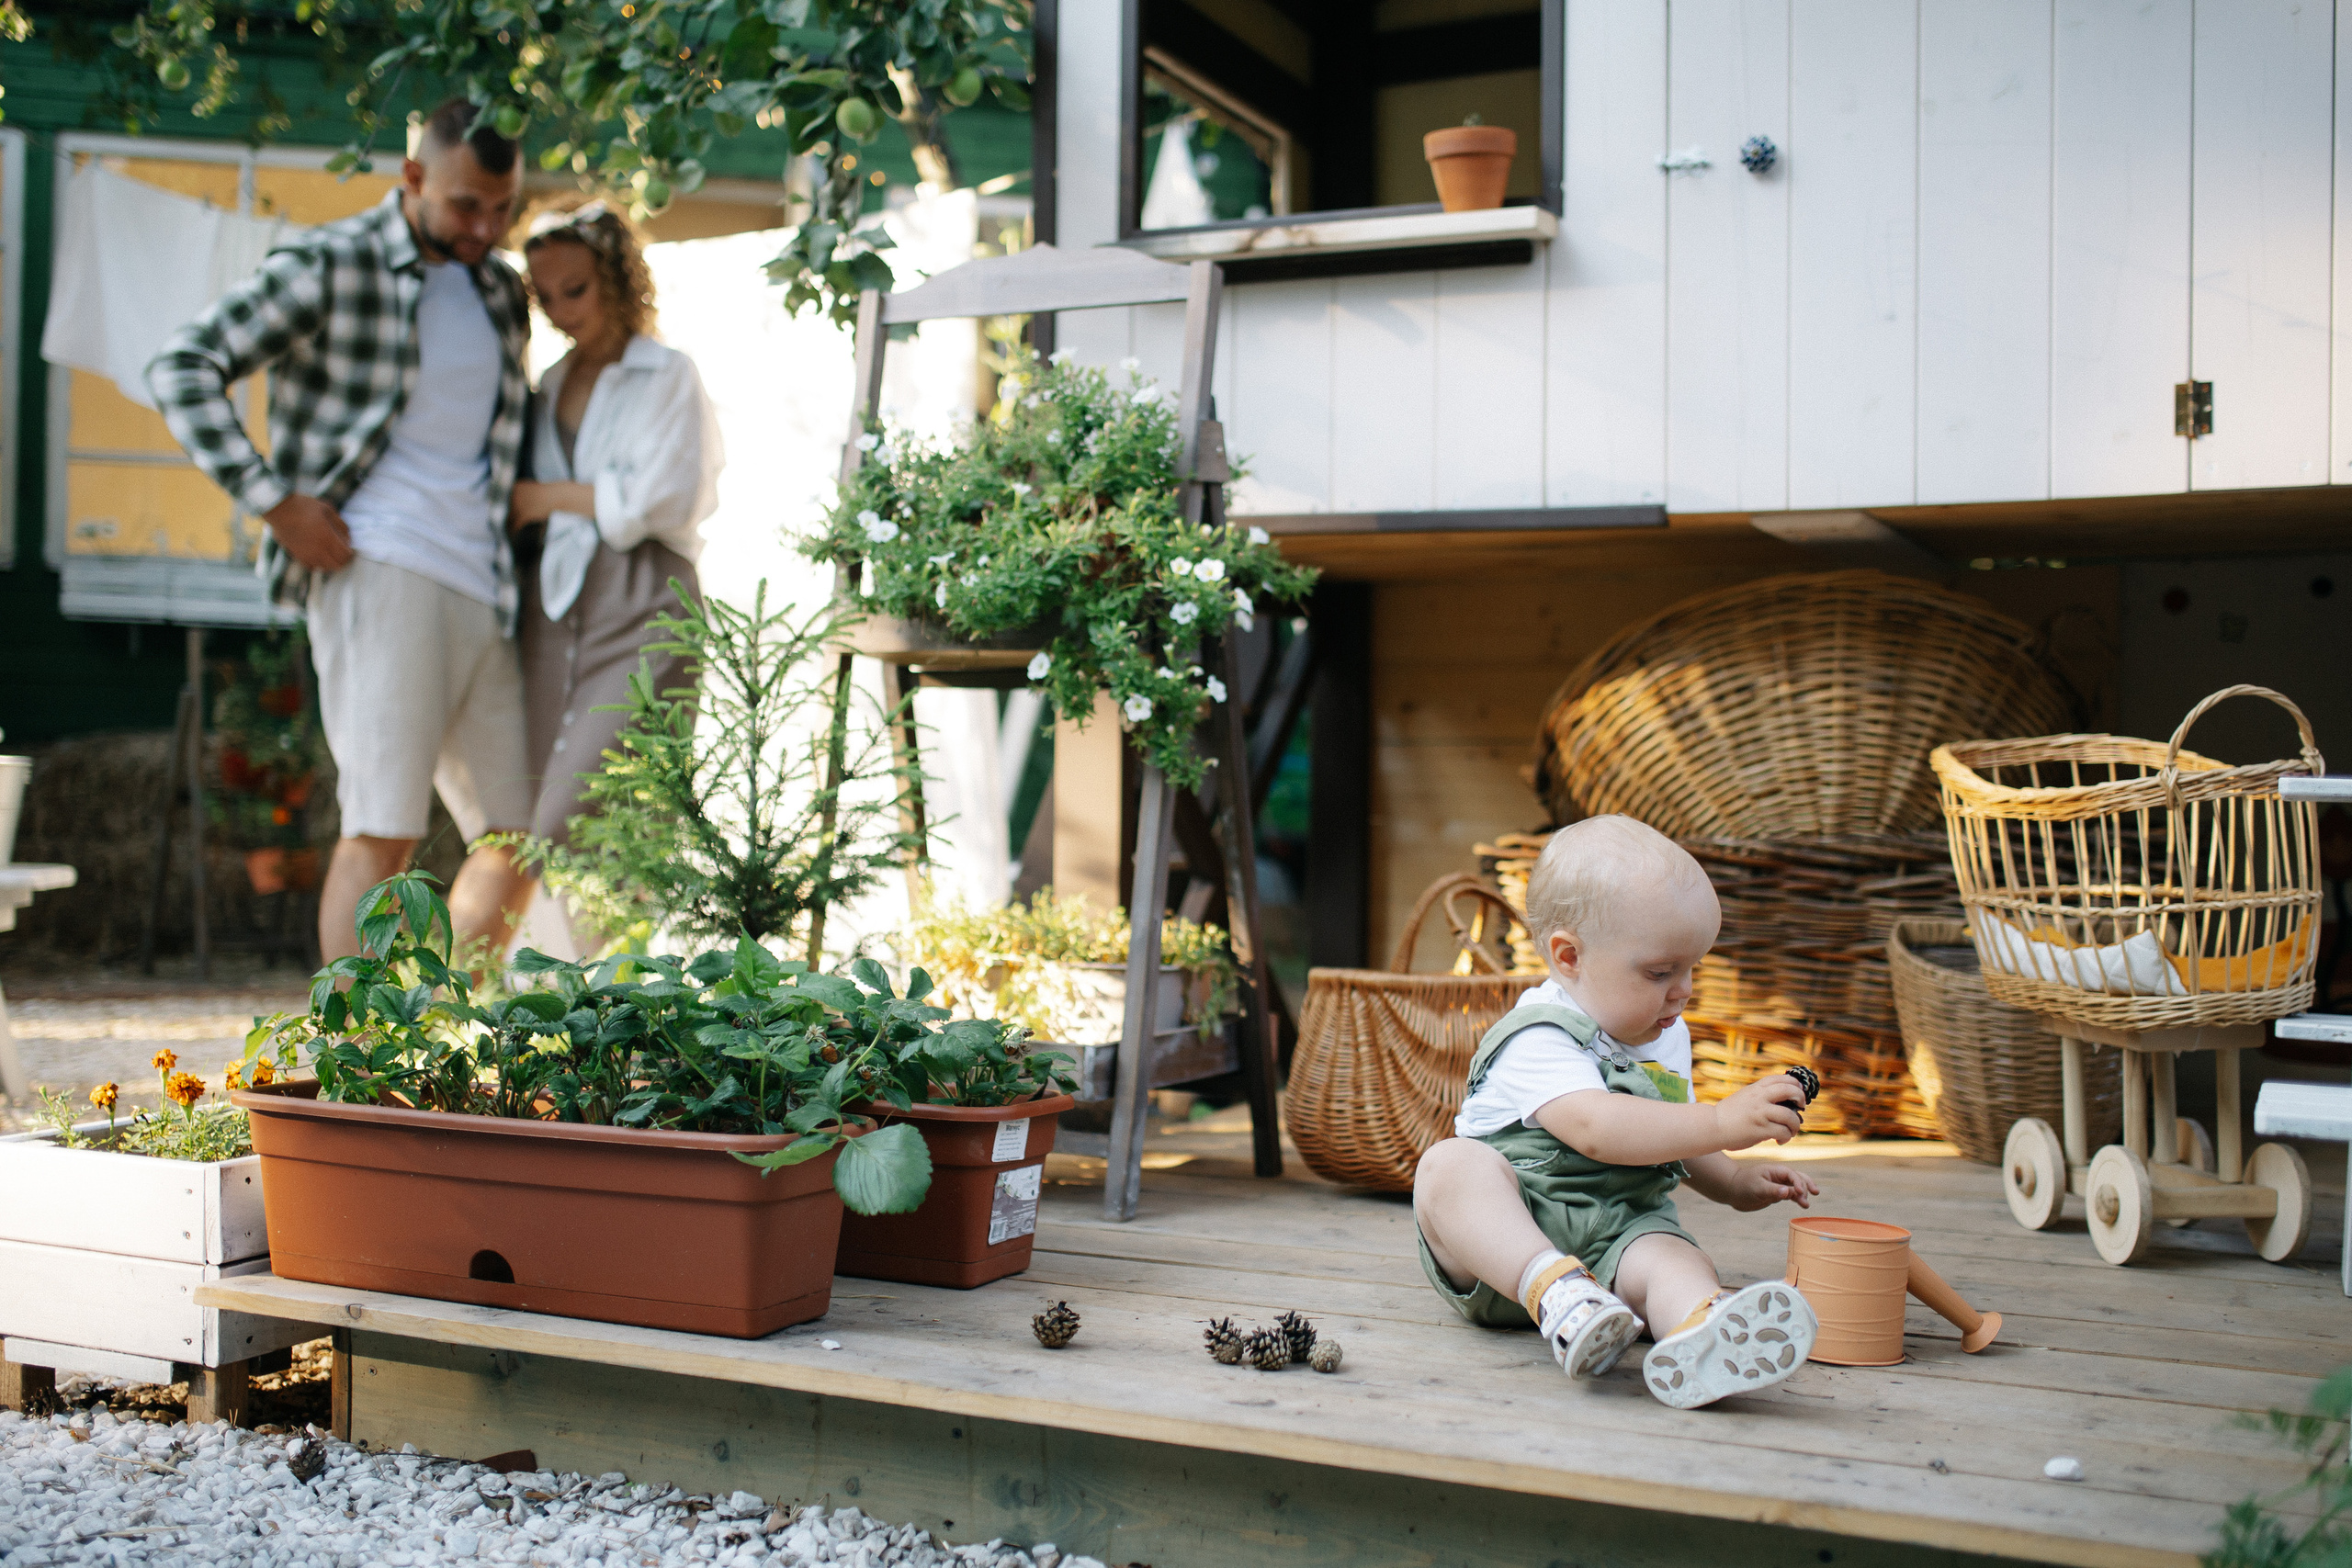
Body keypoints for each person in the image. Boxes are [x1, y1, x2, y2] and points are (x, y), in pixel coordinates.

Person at [149, 99, 537, 964]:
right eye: (467, 205)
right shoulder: (333, 262)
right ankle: (351, 1068)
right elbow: (182, 366)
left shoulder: (501, 289)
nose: (486, 226)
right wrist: (274, 501)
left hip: (484, 581)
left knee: (521, 838)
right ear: (411, 178)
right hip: (381, 566)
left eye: (503, 207)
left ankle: (437, 1036)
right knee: (383, 832)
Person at [1411, 816, 1824, 1409]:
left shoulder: (1665, 1032)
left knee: (1673, 1255)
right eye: (1660, 972)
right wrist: (1720, 1119)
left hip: (1616, 1239)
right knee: (1447, 1168)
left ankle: (1706, 1332)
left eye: (1692, 969)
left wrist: (1732, 1179)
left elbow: (1670, 1130)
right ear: (1570, 955)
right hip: (1506, 1247)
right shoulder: (1539, 1034)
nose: (1683, 991)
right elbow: (1598, 1128)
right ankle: (1557, 1290)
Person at [508, 198, 721, 948]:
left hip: (644, 597)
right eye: (546, 296)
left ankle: (615, 987)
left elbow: (664, 496)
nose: (562, 311)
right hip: (555, 607)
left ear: (618, 280)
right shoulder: (550, 383)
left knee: (594, 809)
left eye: (578, 290)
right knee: (545, 800)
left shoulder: (667, 373)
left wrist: (546, 498)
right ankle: (600, 987)